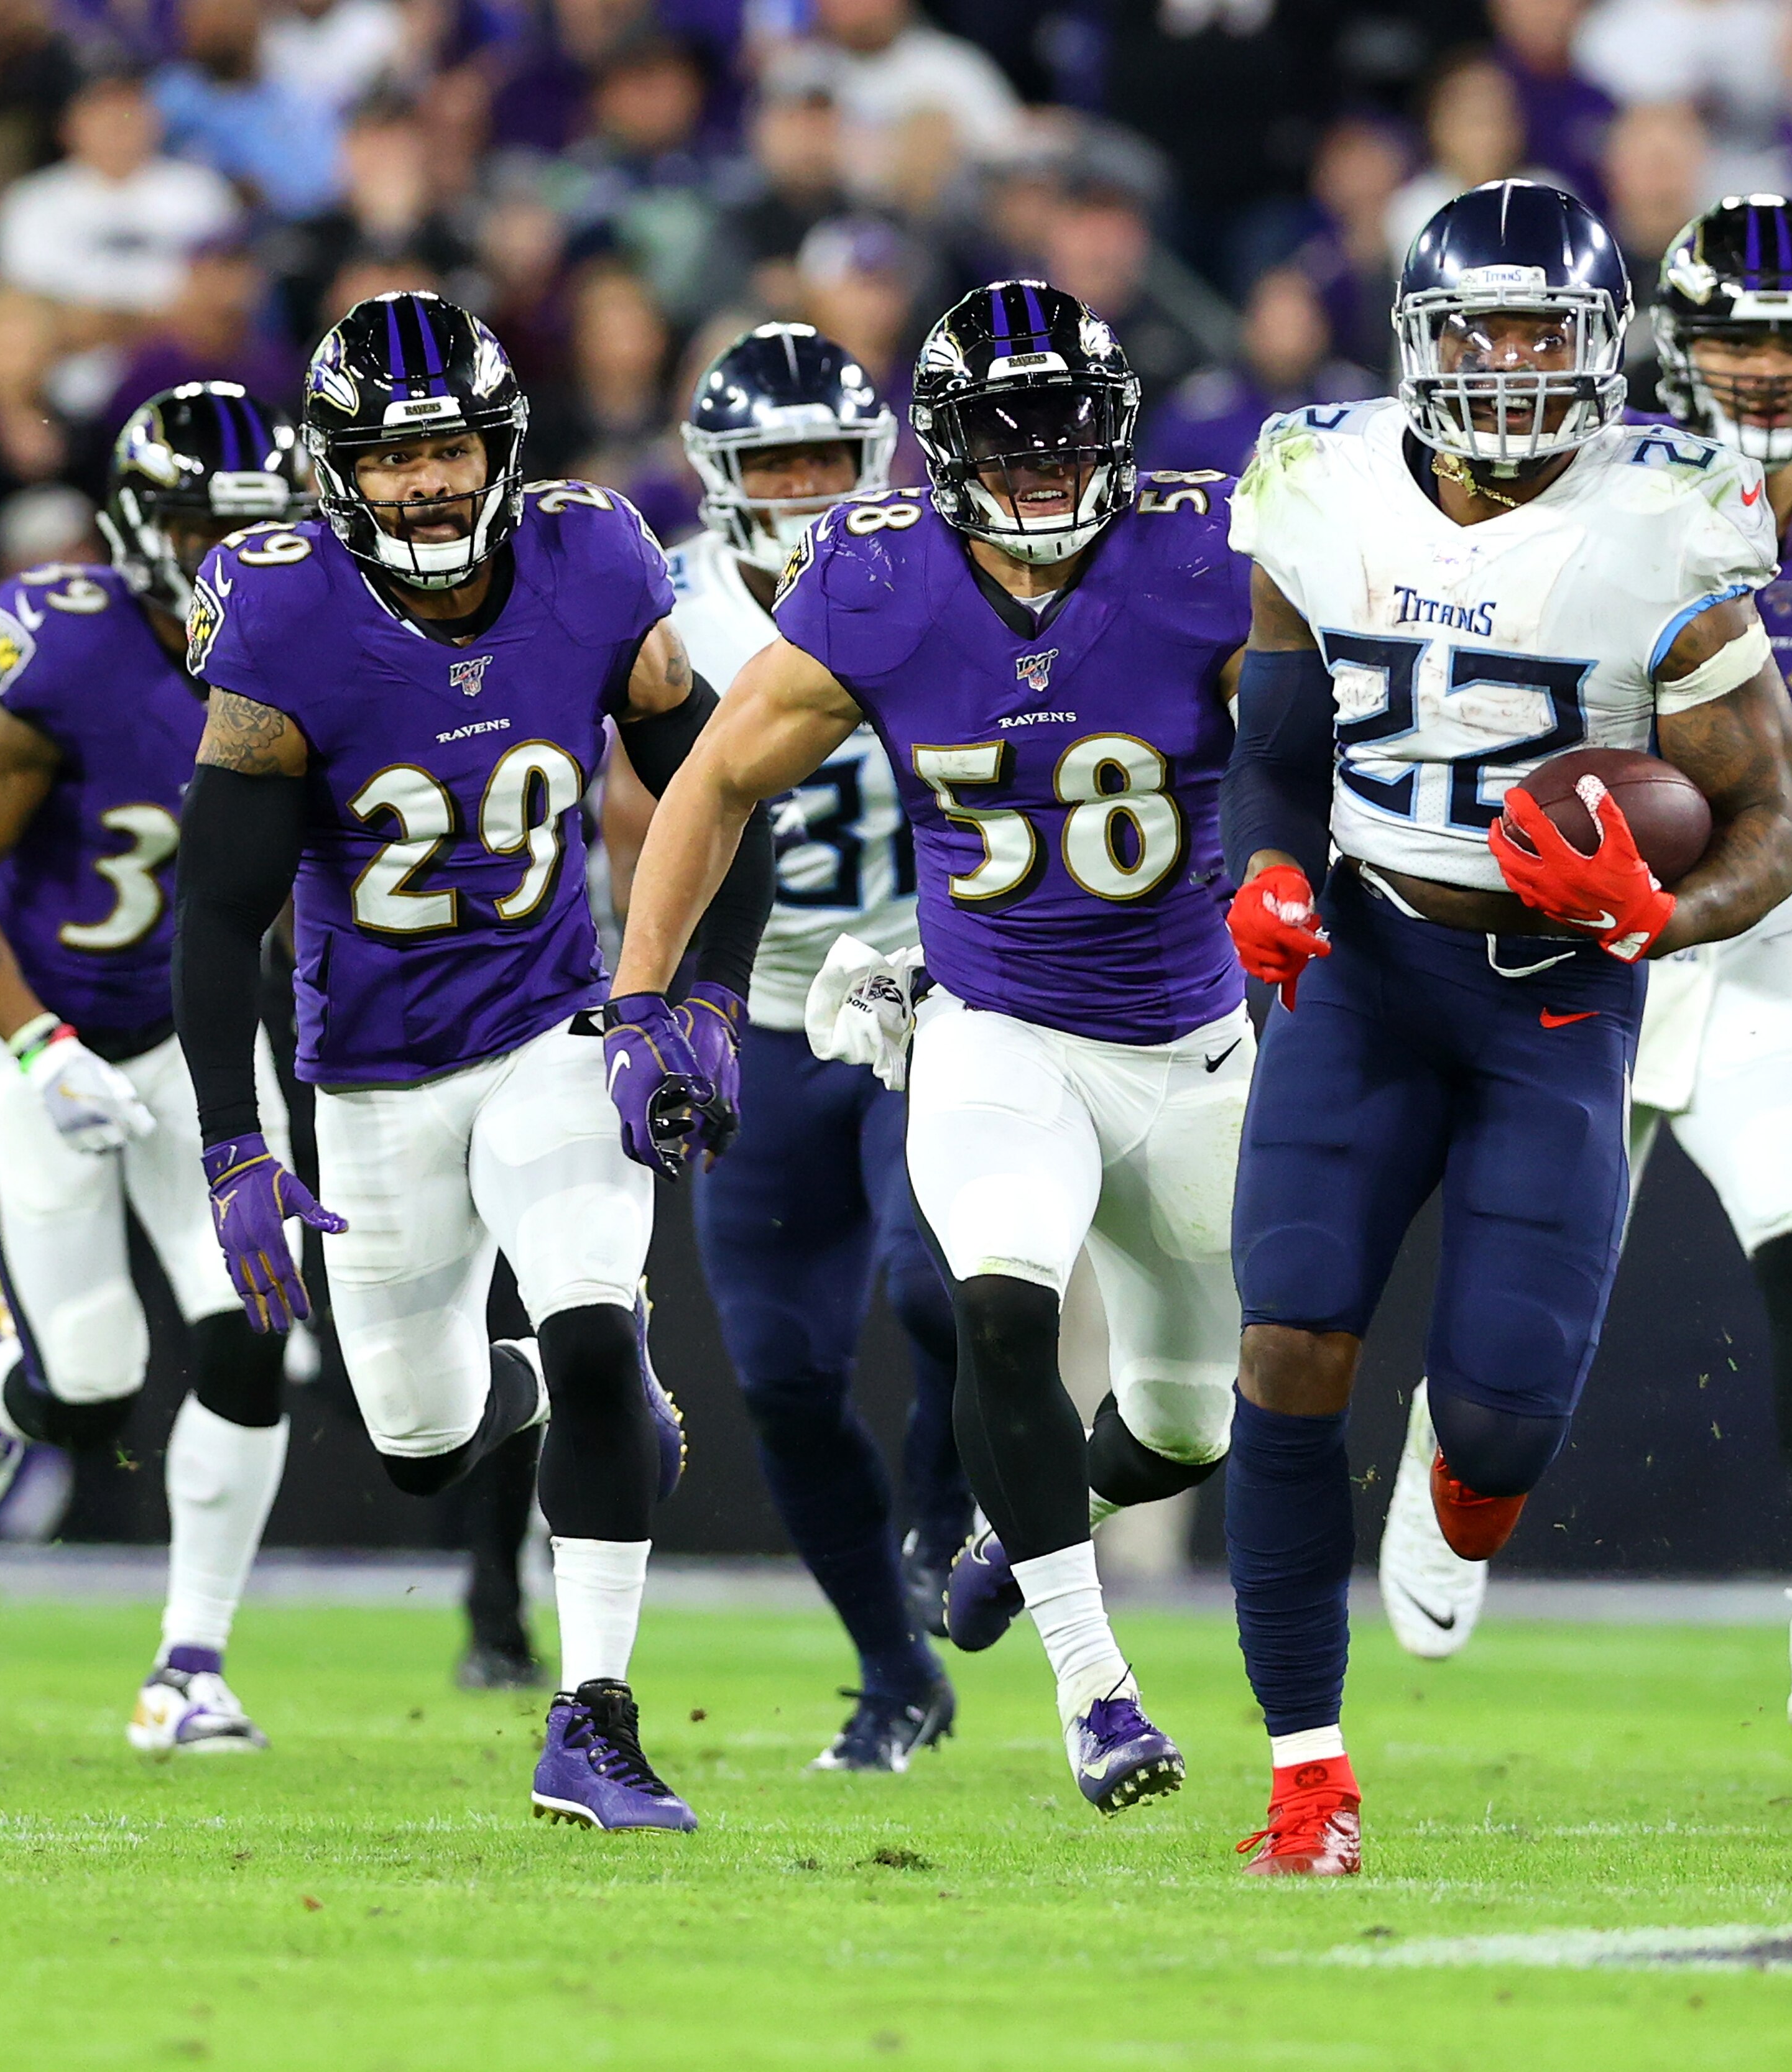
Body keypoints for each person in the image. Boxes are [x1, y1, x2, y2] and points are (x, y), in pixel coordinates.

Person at [1219, 180, 1792, 1872]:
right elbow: (1279, 745)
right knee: (1288, 1345)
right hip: (1363, 967)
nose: (1508, 367)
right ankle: (1305, 1773)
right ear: (1417, 345)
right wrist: (1269, 873)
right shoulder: (1319, 476)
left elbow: (1771, 824)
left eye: (1541, 334)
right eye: (1478, 332)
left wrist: (1669, 916)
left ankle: (1473, 1489)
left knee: (1502, 1407)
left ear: (1602, 353)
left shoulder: (1670, 511)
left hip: (1557, 995)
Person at [607, 282, 1252, 1818]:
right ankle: (1092, 1691)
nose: (1037, 467)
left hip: (1192, 1034)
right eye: (1001, 438)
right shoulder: (875, 576)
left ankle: (1018, 1528)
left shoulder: (1210, 549)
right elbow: (705, 784)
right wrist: (646, 996)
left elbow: (1325, 739)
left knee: (1185, 1420)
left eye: (1064, 432)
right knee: (986, 1301)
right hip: (984, 1017)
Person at [168, 292, 758, 1834]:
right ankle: (597, 1409)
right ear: (334, 473)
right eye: (390, 456)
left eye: (444, 448)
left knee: (589, 1318)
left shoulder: (594, 562)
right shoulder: (283, 615)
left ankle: (597, 1715)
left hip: (552, 1027)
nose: (425, 482)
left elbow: (719, 794)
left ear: (498, 446)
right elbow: (219, 913)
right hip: (368, 1074)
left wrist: (696, 997)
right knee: (418, 1441)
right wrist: (236, 1139)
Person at [0, 382, 305, 1754]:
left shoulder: (313, 632)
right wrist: (34, 1040)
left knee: (256, 1325)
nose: (222, 557)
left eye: (250, 528)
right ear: (137, 524)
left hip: (198, 1038)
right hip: (45, 1034)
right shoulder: (65, 647)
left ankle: (191, 1664)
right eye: (198, 525)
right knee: (92, 1387)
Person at [660, 320, 961, 1772]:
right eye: (767, 459)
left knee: (944, 1285)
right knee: (778, 1372)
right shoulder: (667, 610)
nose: (794, 487)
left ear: (876, 461)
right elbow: (629, 806)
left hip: (931, 992)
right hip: (761, 1013)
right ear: (716, 474)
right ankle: (892, 1666)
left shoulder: (940, 564)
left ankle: (941, 1522)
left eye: (821, 458)